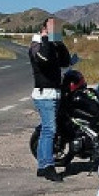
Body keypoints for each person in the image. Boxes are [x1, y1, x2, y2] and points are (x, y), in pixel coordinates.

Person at [30, 16, 72, 181]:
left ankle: (42, 166)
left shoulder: (52, 46)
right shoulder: (37, 45)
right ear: (43, 29)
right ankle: (48, 166)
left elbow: (65, 61)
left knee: (47, 130)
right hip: (44, 94)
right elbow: (45, 60)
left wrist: (59, 43)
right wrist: (46, 38)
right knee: (49, 130)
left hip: (54, 93)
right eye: (51, 28)